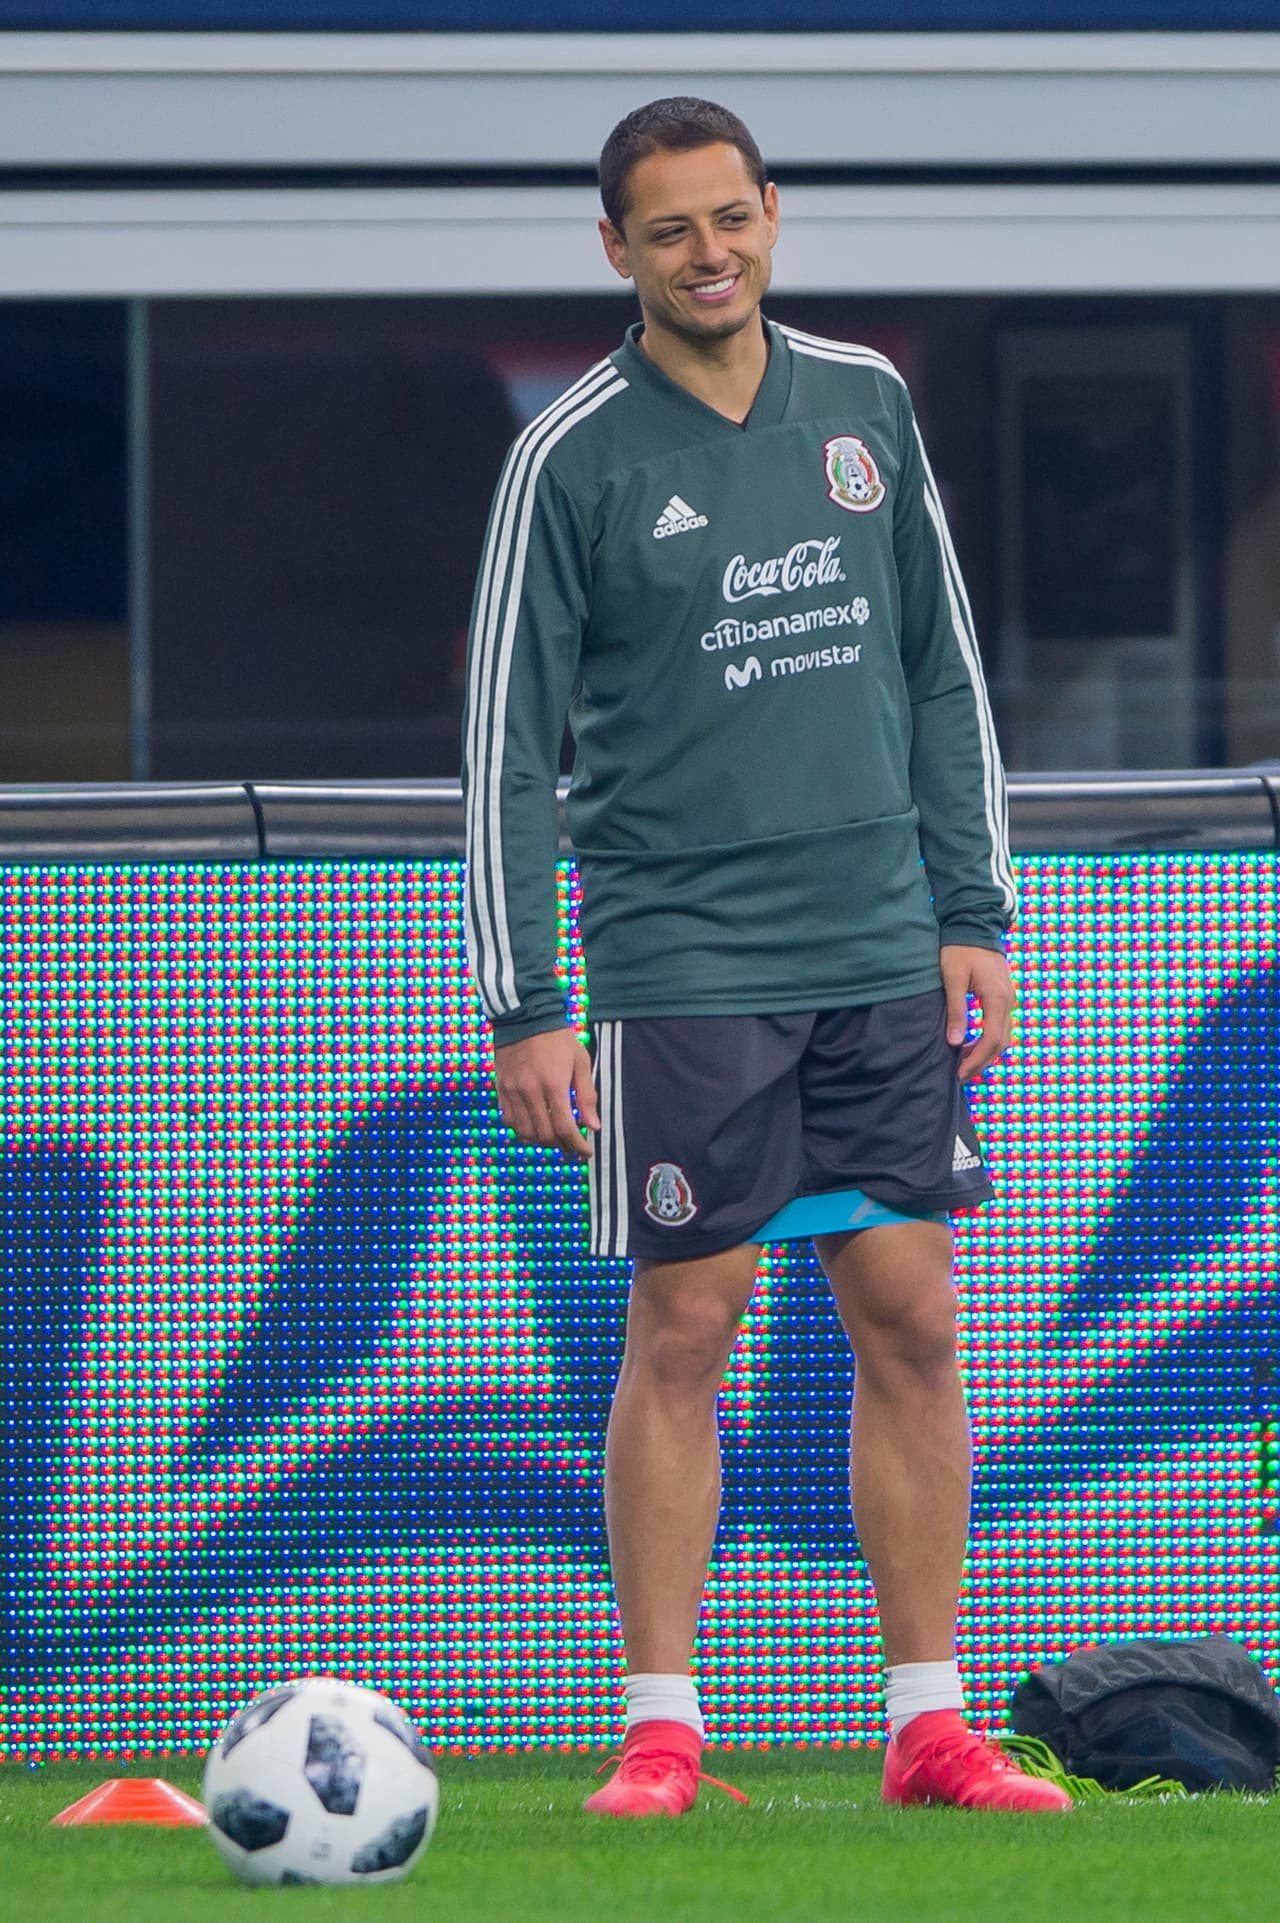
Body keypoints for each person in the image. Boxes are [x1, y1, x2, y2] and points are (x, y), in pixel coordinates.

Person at [461, 96, 1068, 1818]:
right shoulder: (568, 455)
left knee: (915, 1314)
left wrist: (973, 913)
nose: (710, 251)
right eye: (671, 230)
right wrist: (528, 1005)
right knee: (689, 1320)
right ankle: (665, 1728)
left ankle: (930, 1726)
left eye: (733, 218)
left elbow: (942, 673)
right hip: (683, 958)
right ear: (616, 252)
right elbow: (507, 746)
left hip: (883, 942)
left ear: (773, 216)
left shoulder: (866, 403)